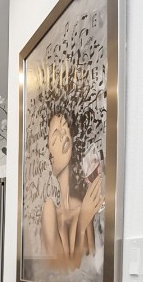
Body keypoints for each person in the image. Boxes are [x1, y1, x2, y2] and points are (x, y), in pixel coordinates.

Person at [40, 110, 103, 271]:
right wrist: (82, 223)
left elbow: (93, 269)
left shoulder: (83, 205)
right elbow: (61, 270)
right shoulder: (49, 207)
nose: (64, 137)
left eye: (65, 131)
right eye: (56, 135)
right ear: (49, 153)